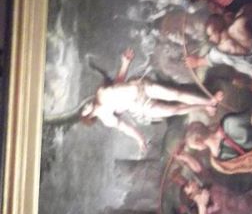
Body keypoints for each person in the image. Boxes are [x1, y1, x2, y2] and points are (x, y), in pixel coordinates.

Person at [80, 48, 222, 156]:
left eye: (84, 104)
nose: (86, 105)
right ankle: (204, 106)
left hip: (141, 87)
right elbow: (125, 128)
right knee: (174, 110)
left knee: (175, 94)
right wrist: (139, 139)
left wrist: (125, 63)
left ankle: (209, 101)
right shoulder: (106, 118)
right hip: (141, 107)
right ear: (88, 117)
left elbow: (119, 82)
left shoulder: (100, 92)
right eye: (84, 109)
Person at [185, 10, 252, 86]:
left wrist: (195, 62)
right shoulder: (238, 24)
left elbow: (201, 61)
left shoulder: (217, 52)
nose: (210, 38)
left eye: (210, 35)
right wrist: (238, 15)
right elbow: (251, 8)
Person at [183, 109, 252, 180]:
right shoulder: (229, 122)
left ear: (199, 142)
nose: (198, 150)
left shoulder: (219, 162)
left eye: (196, 147)